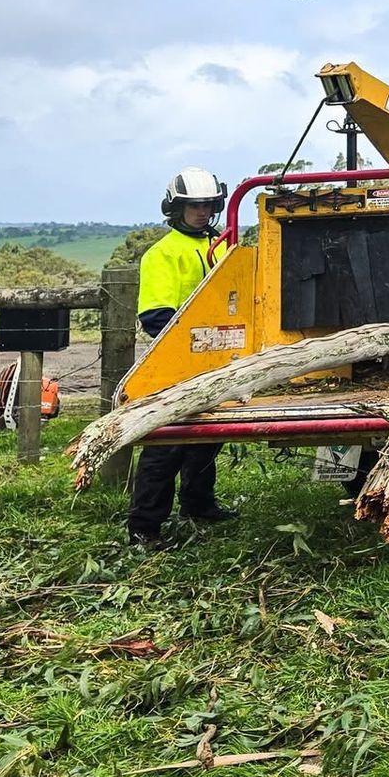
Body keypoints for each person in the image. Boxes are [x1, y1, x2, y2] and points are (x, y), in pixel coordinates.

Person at [127, 167, 237, 545]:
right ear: (176, 208)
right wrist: (197, 343)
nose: (203, 212)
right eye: (194, 206)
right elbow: (156, 316)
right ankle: (145, 526)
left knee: (208, 436)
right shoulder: (162, 254)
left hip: (217, 357)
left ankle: (199, 503)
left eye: (208, 205)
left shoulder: (222, 245)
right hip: (175, 359)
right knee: (168, 443)